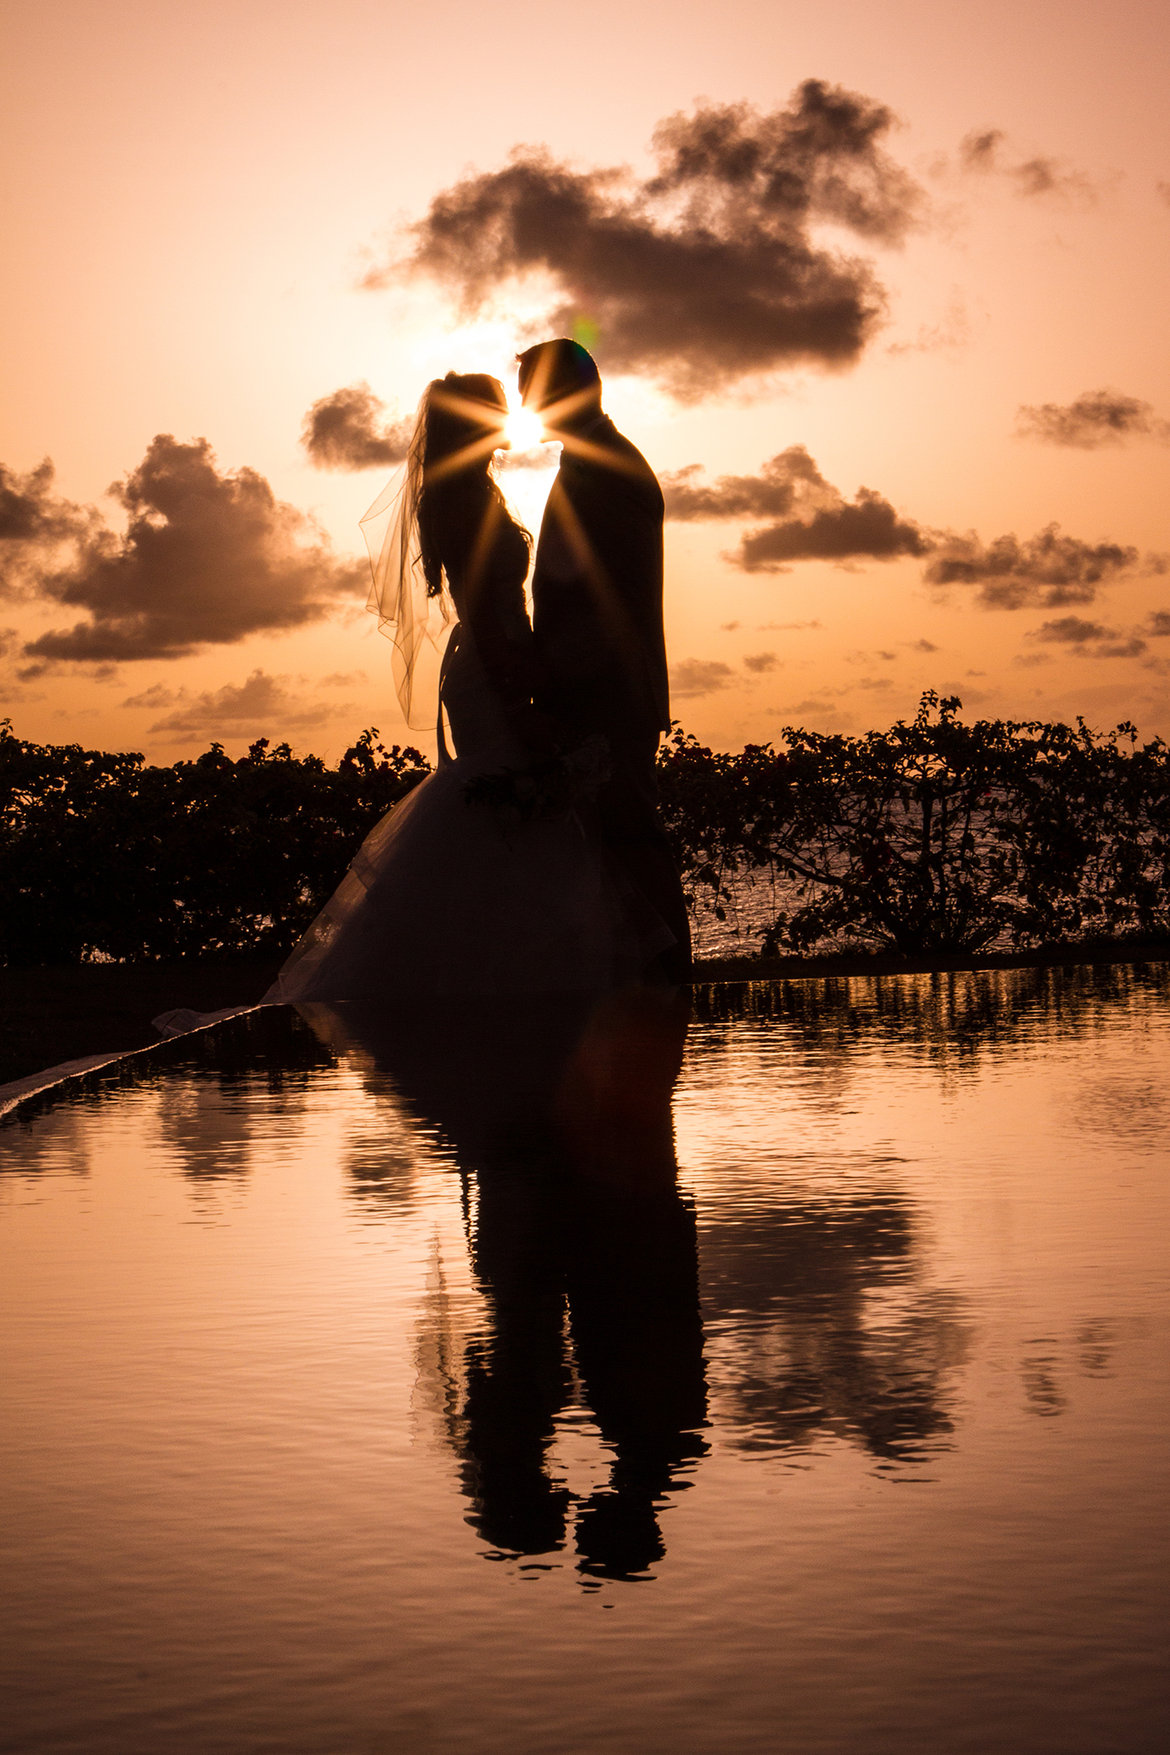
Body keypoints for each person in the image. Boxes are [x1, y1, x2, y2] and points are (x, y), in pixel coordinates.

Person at [267, 371, 673, 1005]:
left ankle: (512, 981)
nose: (510, 421)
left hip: (497, 661)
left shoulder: (471, 490)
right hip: (493, 666)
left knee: (507, 815)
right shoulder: (464, 501)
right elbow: (485, 612)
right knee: (511, 797)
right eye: (498, 411)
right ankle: (507, 986)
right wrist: (521, 692)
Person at [518, 339, 692, 980]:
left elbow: (602, 596)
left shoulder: (607, 470)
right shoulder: (597, 461)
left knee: (631, 834)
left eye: (530, 395)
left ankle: (669, 976)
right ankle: (642, 971)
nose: (525, 410)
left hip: (606, 690)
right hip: (601, 688)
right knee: (615, 838)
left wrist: (556, 682)